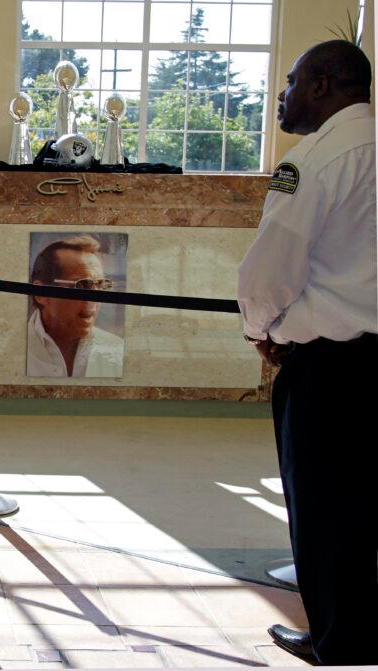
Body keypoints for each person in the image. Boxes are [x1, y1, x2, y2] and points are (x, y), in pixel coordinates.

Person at [237, 40, 376, 666]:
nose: (282, 96)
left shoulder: (316, 159)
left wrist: (262, 328)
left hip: (334, 366)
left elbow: (274, 265)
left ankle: (338, 641)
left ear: (322, 85)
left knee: (326, 510)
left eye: (291, 82)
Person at [26, 235, 123, 378]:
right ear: (41, 294)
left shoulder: (118, 350)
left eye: (101, 285)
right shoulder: (15, 350)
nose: (95, 297)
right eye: (83, 285)